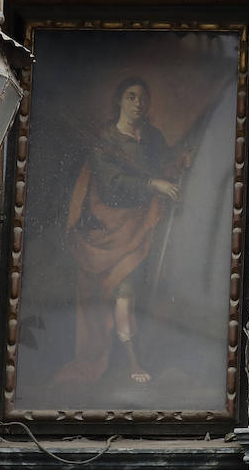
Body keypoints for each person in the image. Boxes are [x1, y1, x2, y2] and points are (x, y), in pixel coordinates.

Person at [59, 78, 181, 386]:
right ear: (119, 101)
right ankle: (132, 362)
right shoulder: (107, 139)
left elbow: (164, 166)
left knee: (136, 292)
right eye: (131, 96)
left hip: (143, 225)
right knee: (123, 293)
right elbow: (111, 184)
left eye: (143, 98)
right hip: (110, 226)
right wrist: (153, 184)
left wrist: (180, 161)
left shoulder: (152, 138)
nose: (138, 103)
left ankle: (134, 355)